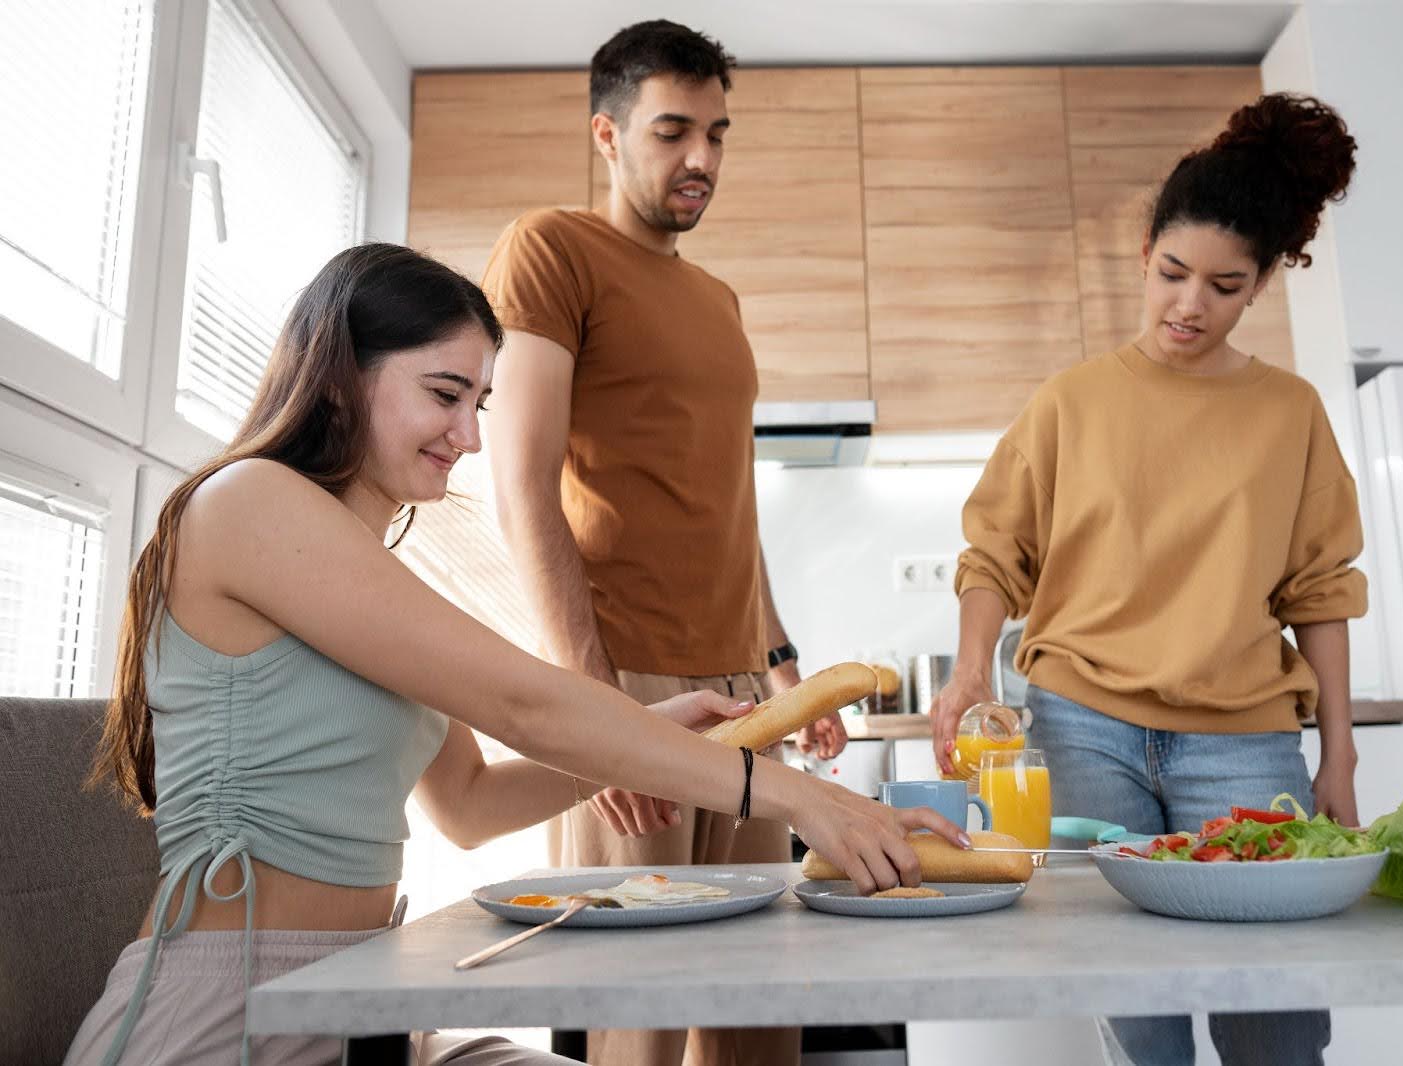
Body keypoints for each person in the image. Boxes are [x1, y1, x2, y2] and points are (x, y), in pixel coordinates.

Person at [66, 243, 964, 1066]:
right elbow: (525, 703)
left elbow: (468, 802)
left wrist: (660, 733)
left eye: (479, 402)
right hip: (229, 1014)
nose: (470, 436)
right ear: (342, 379)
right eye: (445, 394)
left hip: (370, 1008)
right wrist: (805, 796)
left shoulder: (360, 575)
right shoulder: (246, 505)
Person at [929, 94, 1364, 1066]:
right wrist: (970, 674)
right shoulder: (1072, 402)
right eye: (1172, 273)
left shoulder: (1288, 413)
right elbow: (993, 550)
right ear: (1144, 252)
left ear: (1259, 287)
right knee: (1136, 1015)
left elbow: (1321, 590)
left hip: (1246, 742)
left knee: (1277, 1023)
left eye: (1222, 284)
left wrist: (1337, 756)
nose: (1188, 305)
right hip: (1084, 724)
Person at [478, 21, 840, 1066]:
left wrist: (780, 660)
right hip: (629, 678)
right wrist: (591, 711)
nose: (702, 159)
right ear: (607, 133)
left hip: (744, 689)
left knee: (760, 1010)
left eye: (718, 134)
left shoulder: (718, 301)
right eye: (673, 130)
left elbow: (727, 499)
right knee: (642, 1011)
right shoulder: (551, 249)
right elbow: (522, 481)